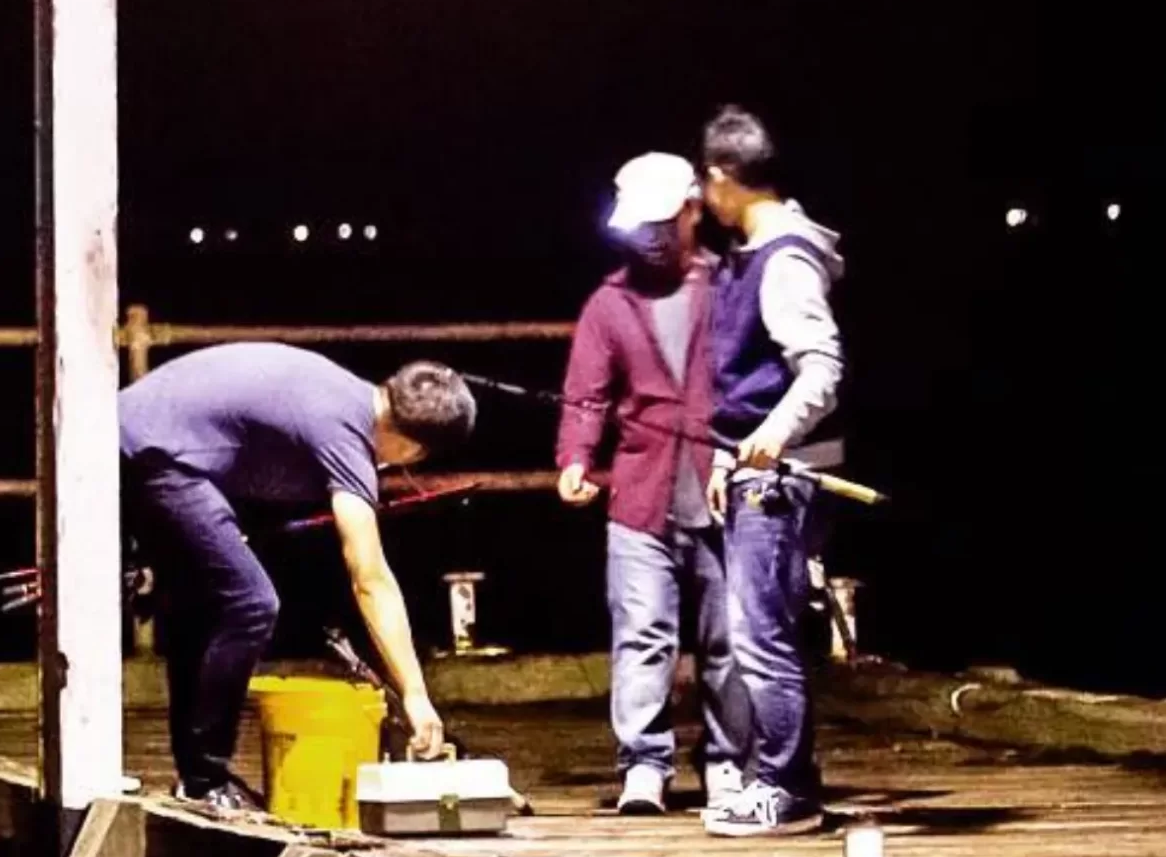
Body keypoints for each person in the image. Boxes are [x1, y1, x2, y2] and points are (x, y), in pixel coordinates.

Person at [118, 343, 474, 813]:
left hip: (138, 434)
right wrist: (414, 692)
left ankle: (198, 775)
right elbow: (369, 576)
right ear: (412, 446)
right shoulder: (346, 434)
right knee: (250, 605)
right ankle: (205, 781)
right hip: (154, 453)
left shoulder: (345, 393)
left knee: (206, 600)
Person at [554, 151, 751, 814]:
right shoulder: (609, 304)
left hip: (725, 492)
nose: (651, 238)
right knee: (641, 633)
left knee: (729, 639)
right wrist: (575, 458)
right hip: (640, 495)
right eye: (639, 227)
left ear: (692, 211)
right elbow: (585, 394)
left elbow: (756, 382)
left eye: (662, 223)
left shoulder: (730, 288)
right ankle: (644, 765)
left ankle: (729, 761)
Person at [695, 104, 847, 837]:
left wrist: (769, 440)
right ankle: (785, 777)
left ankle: (785, 788)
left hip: (783, 478)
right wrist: (730, 453)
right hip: (757, 471)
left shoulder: (784, 257)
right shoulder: (754, 257)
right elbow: (746, 383)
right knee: (757, 628)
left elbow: (821, 368)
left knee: (761, 635)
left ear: (724, 178)